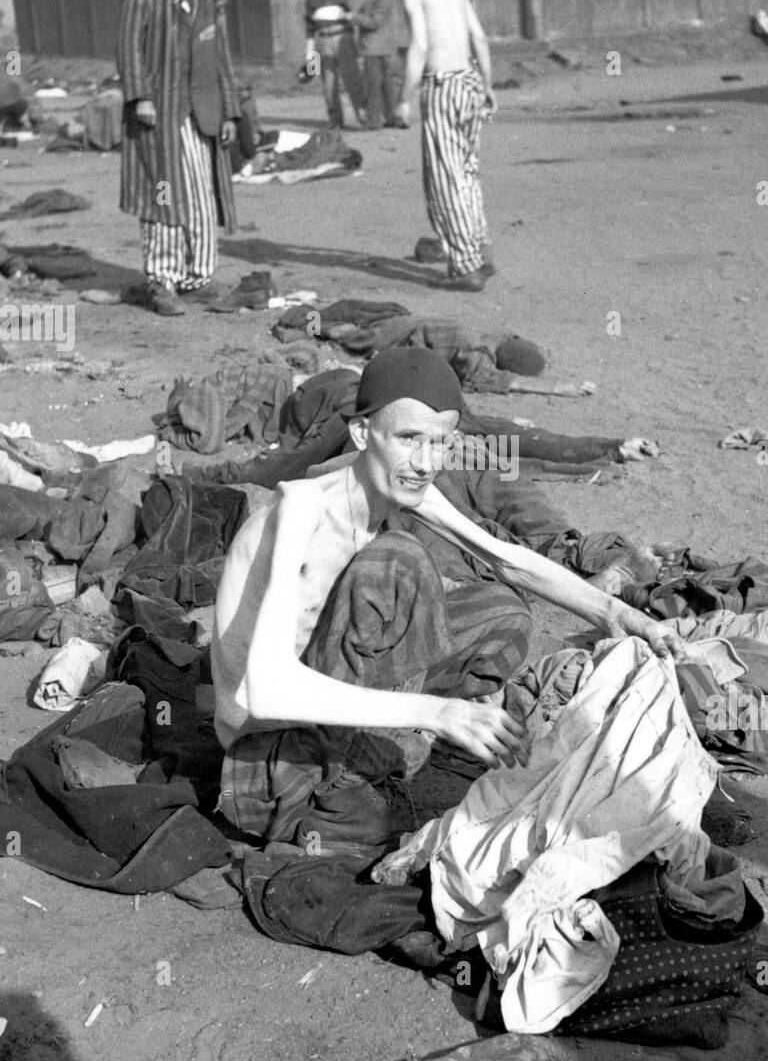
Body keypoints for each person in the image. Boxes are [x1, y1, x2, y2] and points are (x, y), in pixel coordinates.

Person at [211, 347, 687, 852]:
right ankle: (357, 766)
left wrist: (619, 613)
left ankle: (382, 744)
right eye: (409, 439)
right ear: (360, 433)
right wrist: (439, 714)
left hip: (330, 687)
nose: (425, 463)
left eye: (439, 444)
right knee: (398, 562)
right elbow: (264, 689)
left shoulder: (396, 484)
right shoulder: (303, 513)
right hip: (269, 737)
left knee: (502, 611)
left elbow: (507, 559)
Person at [117, 0, 240, 317]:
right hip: (159, 110)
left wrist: (229, 112)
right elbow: (129, 46)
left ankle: (198, 276)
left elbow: (221, 57)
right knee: (164, 193)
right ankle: (161, 280)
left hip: (201, 112)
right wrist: (140, 96)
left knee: (202, 193)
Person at [380, 0, 496, 292]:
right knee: (468, 169)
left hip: (442, 85)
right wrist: (489, 86)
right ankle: (478, 249)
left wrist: (402, 101)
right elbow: (478, 35)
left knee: (448, 179)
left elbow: (420, 47)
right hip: (470, 80)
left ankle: (465, 266)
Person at [303, 0, 362, 129]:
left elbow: (351, 19)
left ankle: (362, 114)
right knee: (328, 82)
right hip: (323, 41)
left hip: (342, 38)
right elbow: (310, 29)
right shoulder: (311, 0)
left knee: (352, 78)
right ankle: (335, 119)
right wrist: (310, 57)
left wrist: (352, 45)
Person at [353, 0, 402, 129]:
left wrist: (353, 17)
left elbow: (375, 23)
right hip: (380, 46)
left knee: (374, 84)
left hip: (375, 46)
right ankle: (392, 118)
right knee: (385, 84)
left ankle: (373, 121)